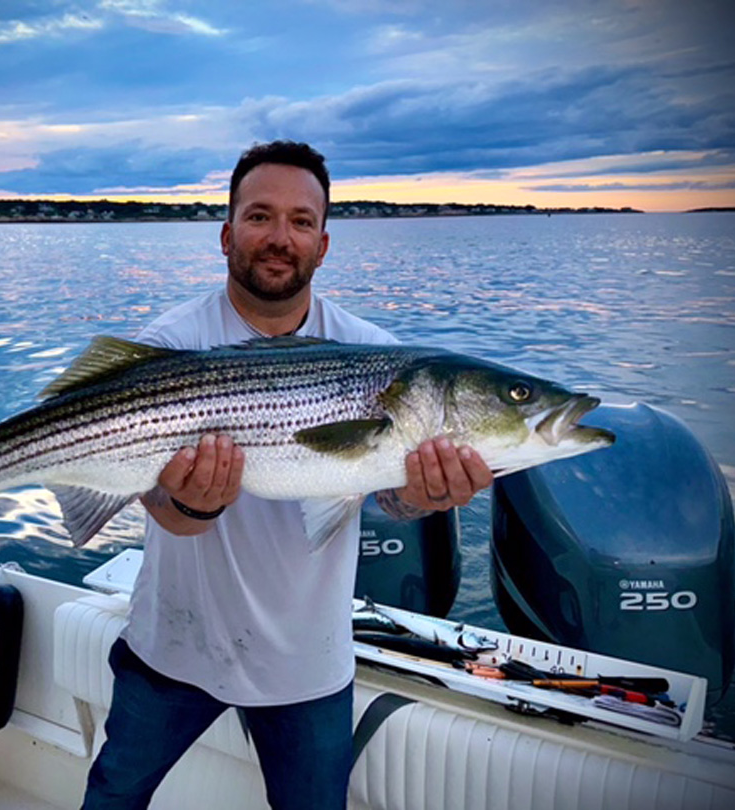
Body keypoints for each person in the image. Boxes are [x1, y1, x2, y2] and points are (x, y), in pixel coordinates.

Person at [80, 141, 493, 810]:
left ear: (323, 245)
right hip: (174, 648)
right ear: (226, 233)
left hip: (308, 662)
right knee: (112, 798)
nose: (280, 238)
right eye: (260, 216)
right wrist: (195, 506)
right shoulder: (172, 343)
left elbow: (385, 494)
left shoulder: (378, 358)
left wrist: (423, 498)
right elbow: (164, 509)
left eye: (301, 222)